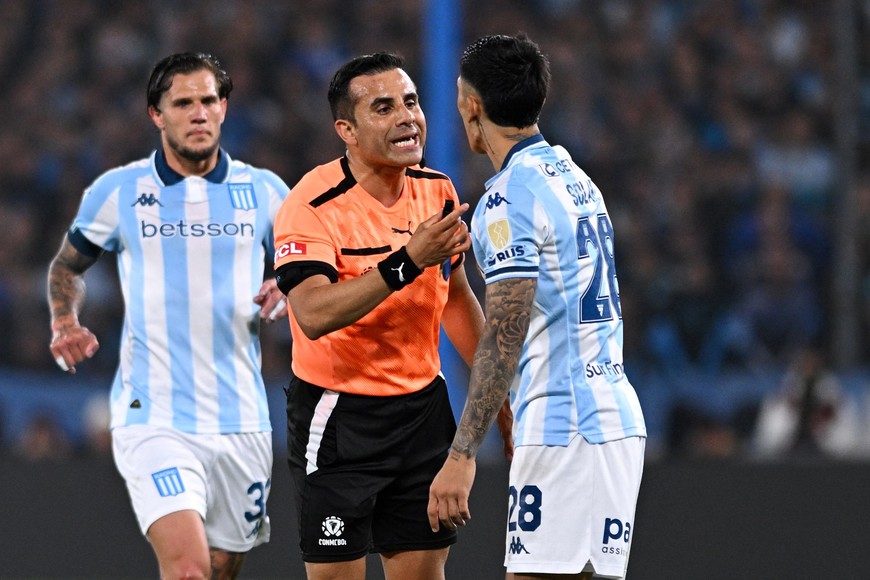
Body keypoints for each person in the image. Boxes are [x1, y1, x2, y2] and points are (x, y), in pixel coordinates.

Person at [47, 52, 290, 580]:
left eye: (209, 100)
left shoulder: (266, 192)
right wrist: (65, 320)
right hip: (153, 416)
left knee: (222, 567)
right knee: (188, 570)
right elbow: (67, 266)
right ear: (156, 114)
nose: (198, 113)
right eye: (182, 103)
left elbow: (314, 269)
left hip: (242, 420)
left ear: (224, 108)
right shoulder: (120, 191)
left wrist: (290, 284)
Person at [272, 52, 508, 580]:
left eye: (411, 102)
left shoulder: (436, 189)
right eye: (384, 108)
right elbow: (311, 313)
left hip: (422, 414)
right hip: (339, 418)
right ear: (347, 131)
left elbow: (454, 297)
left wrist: (500, 399)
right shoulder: (310, 204)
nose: (407, 117)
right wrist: (406, 262)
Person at [428, 34, 647, 580]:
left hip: (566, 424)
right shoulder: (575, 178)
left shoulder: (509, 199)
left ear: (471, 107)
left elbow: (506, 328)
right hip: (608, 416)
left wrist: (462, 453)